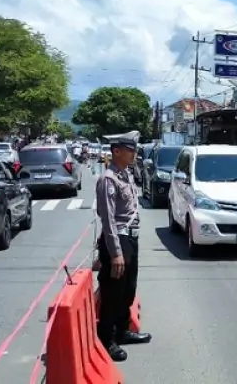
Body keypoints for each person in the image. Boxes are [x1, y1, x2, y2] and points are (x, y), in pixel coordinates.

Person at [95, 130, 152, 361]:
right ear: (116, 152)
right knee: (113, 292)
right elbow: (108, 219)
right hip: (117, 240)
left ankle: (123, 331)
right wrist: (115, 253)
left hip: (131, 239)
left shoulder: (126, 175)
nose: (134, 154)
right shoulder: (108, 180)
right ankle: (107, 339)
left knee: (128, 288)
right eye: (130, 151)